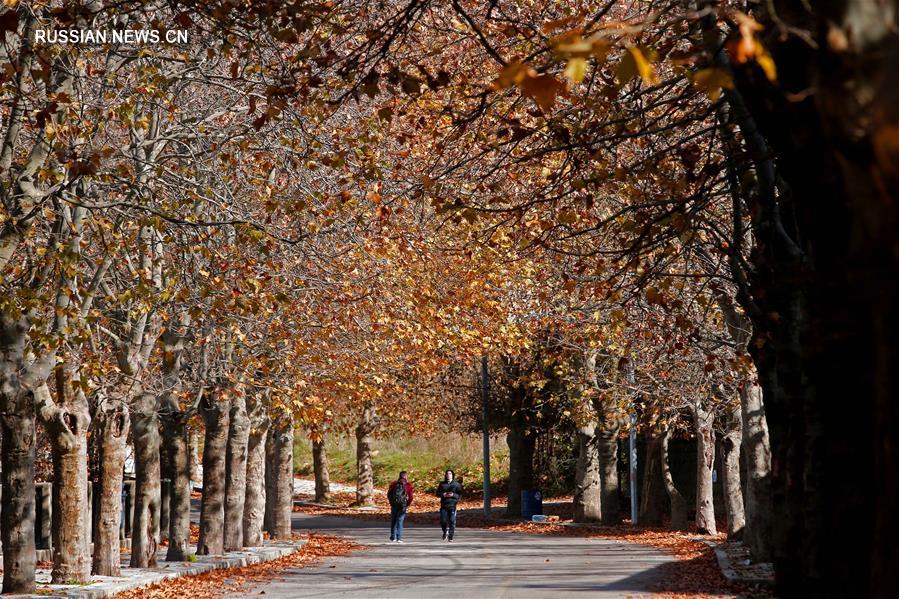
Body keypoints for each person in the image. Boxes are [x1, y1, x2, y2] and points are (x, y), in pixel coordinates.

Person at [435, 469, 462, 541]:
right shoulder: (442, 484)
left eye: (450, 474)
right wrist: (443, 494)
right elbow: (437, 493)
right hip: (444, 505)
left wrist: (453, 495)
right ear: (445, 475)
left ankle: (451, 536)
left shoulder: (456, 484)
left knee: (452, 521)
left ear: (452, 475)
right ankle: (445, 531)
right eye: (447, 474)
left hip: (452, 505)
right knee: (443, 521)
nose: (448, 475)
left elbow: (460, 495)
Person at [387, 470, 414, 543]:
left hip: (394, 504)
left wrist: (391, 502)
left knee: (393, 520)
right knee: (400, 520)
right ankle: (399, 538)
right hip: (403, 505)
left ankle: (393, 537)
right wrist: (407, 504)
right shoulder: (408, 485)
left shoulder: (393, 483)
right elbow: (411, 497)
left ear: (399, 476)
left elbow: (388, 494)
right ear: (406, 476)